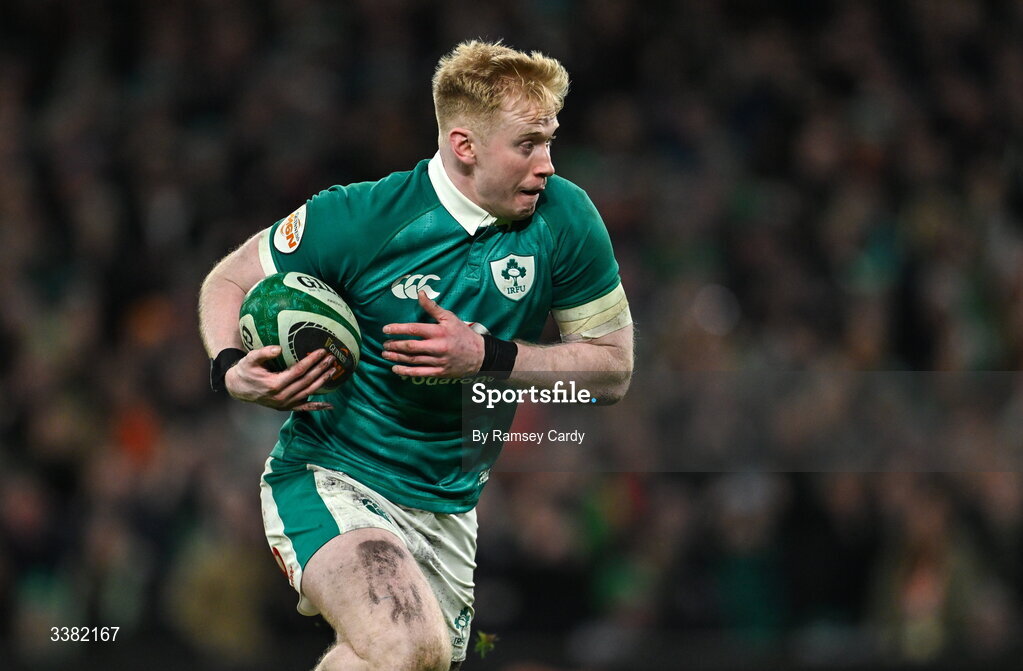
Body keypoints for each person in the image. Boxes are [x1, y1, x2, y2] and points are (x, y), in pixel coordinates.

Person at [198, 40, 634, 671]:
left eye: (549, 140)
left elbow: (614, 368)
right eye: (527, 144)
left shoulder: (566, 218)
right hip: (333, 476)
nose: (546, 164)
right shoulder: (361, 217)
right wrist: (228, 363)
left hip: (450, 506)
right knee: (405, 645)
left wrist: (490, 355)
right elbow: (228, 279)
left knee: (394, 660)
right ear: (465, 146)